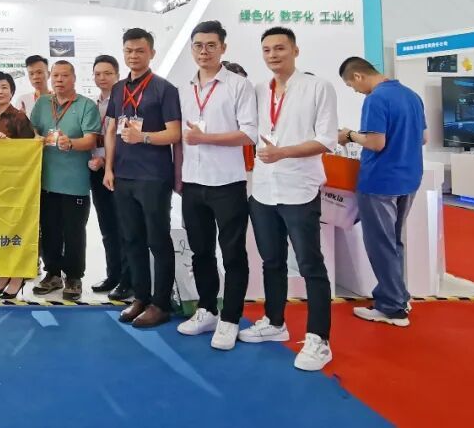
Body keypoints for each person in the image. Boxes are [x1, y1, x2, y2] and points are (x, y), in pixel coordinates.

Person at [240, 26, 337, 372]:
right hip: (264, 189)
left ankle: (319, 339)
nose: (273, 55)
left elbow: (326, 139)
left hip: (300, 188)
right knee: (271, 261)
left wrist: (284, 153)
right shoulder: (258, 90)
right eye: (266, 50)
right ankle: (274, 321)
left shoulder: (318, 87)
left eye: (280, 48)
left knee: (310, 264)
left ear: (295, 50)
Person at [175, 21, 257, 351]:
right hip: (193, 182)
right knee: (201, 252)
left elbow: (249, 133)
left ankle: (230, 319)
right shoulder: (185, 89)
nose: (204, 51)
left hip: (228, 182)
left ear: (223, 47)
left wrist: (206, 138)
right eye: (198, 45)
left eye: (211, 45)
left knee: (233, 254)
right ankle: (207, 310)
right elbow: (180, 137)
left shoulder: (238, 85)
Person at [338, 56, 426, 328]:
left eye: (351, 85)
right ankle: (399, 296)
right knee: (394, 242)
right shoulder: (411, 96)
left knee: (380, 244)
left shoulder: (375, 99)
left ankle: (391, 307)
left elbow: (376, 143)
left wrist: (349, 135)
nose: (355, 91)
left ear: (358, 76)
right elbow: (423, 138)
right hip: (409, 178)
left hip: (380, 182)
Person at [104, 28, 181, 328]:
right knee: (132, 239)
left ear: (152, 53)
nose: (133, 55)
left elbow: (174, 133)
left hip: (153, 176)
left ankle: (161, 303)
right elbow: (112, 130)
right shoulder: (118, 88)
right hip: (123, 175)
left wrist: (143, 136)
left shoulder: (164, 89)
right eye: (129, 51)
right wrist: (109, 168)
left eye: (140, 50)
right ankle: (141, 297)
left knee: (157, 240)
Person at [30, 61, 101, 301]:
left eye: (64, 75)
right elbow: (32, 130)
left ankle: (74, 277)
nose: (59, 80)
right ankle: (52, 274)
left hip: (74, 182)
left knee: (73, 232)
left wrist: (71, 143)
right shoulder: (42, 103)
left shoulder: (86, 105)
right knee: (49, 230)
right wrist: (36, 137)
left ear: (74, 78)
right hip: (46, 180)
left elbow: (91, 139)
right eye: (56, 76)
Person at [0, 71, 36, 299]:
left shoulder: (19, 118)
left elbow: (30, 150)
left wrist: (10, 144)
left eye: (4, 87)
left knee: (16, 229)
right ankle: (3, 274)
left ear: (12, 91)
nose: (0, 91)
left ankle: (18, 277)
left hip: (16, 183)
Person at [89, 54, 130, 298]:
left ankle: (127, 279)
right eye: (98, 74)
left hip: (118, 172)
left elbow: (124, 138)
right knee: (107, 227)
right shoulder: (92, 105)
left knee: (124, 227)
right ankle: (113, 274)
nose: (102, 78)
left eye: (107, 73)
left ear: (117, 75)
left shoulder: (125, 102)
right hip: (96, 172)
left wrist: (107, 162)